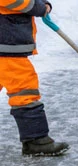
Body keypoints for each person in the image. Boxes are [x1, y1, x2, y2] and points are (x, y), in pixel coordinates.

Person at [0, 0, 70, 156]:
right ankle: (36, 140)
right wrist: (38, 7)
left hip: (7, 38)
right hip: (6, 40)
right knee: (23, 89)